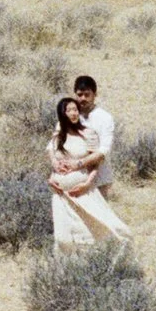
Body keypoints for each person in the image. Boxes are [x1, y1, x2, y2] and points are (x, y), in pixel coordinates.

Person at [49, 96, 130, 245]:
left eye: (75, 110)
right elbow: (53, 160)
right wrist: (51, 178)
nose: (73, 113)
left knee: (91, 233)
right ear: (62, 113)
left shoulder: (88, 133)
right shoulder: (57, 136)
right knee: (63, 238)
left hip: (83, 192)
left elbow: (96, 162)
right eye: (69, 110)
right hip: (60, 195)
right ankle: (66, 267)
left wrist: (87, 183)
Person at [71, 75, 116, 197]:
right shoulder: (70, 116)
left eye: (87, 94)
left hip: (98, 180)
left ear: (94, 95)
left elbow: (103, 151)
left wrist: (79, 164)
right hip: (73, 179)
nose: (83, 98)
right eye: (80, 95)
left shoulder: (104, 118)